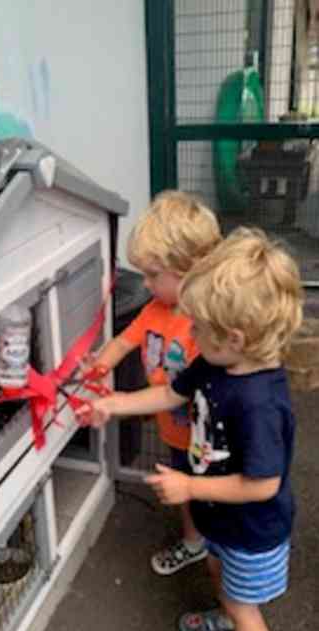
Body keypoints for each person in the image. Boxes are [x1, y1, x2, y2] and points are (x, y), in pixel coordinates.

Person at [77, 227, 303, 631]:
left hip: (252, 529)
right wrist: (113, 404)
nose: (189, 333)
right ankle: (225, 615)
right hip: (221, 518)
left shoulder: (261, 403)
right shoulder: (215, 362)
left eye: (198, 326)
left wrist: (189, 485)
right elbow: (170, 393)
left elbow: (264, 484)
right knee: (219, 573)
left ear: (236, 338)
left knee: (247, 608)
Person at [84, 190, 221, 575]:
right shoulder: (155, 308)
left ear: (190, 269)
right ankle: (195, 543)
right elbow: (125, 339)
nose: (143, 283)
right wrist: (100, 363)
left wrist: (118, 402)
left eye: (152, 274)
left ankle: (223, 555)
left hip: (208, 440)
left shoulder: (208, 328)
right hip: (175, 432)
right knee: (188, 495)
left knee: (211, 498)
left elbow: (178, 391)